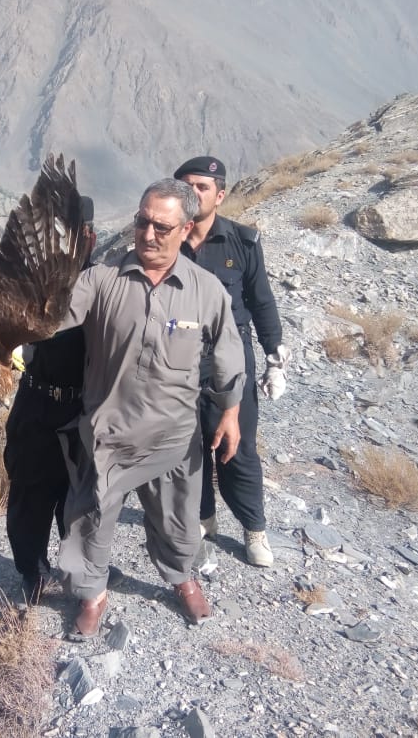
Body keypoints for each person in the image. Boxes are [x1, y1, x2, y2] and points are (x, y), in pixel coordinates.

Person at [57, 178, 246, 638]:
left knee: (178, 518)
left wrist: (230, 413)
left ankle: (181, 577)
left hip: (173, 436)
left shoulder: (205, 290)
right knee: (91, 518)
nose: (148, 234)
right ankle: (92, 593)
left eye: (162, 227)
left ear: (185, 229)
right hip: (109, 433)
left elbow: (228, 352)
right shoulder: (102, 280)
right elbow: (51, 317)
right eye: (142, 222)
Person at [173, 156, 288, 568]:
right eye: (186, 186)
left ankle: (254, 528)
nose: (193, 193)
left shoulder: (243, 242)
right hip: (178, 365)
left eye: (202, 187)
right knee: (188, 451)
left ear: (219, 195)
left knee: (236, 450)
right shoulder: (167, 240)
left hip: (231, 365)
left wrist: (275, 358)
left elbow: (261, 302)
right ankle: (203, 518)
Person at [4, 198, 94, 606]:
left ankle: (81, 566)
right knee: (30, 490)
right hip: (36, 402)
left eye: (72, 234)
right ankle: (32, 570)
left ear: (89, 237)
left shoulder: (107, 285)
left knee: (81, 495)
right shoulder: (28, 285)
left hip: (86, 408)